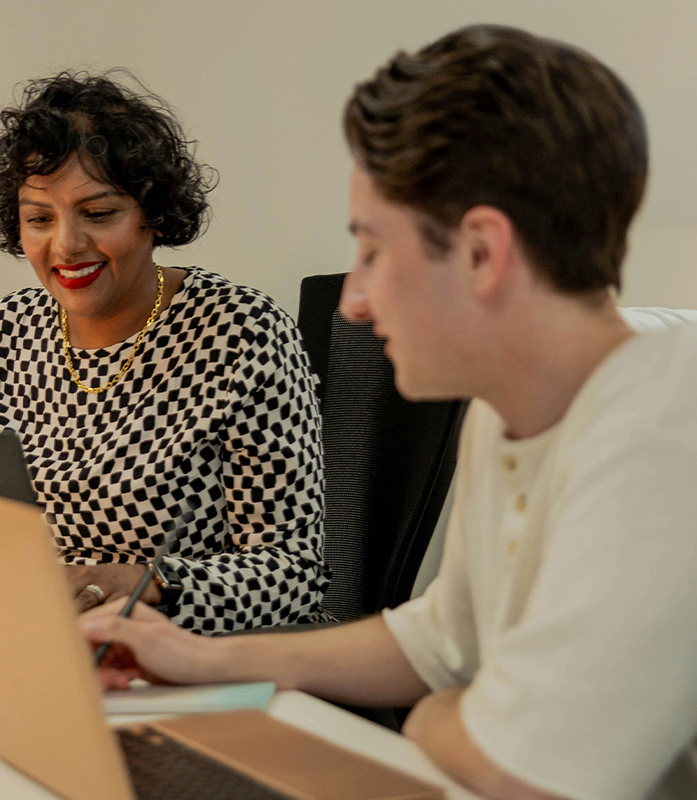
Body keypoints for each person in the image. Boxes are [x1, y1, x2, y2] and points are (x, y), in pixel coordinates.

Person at [81, 26, 697, 800]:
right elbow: (440, 640)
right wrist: (199, 657)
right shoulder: (504, 409)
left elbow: (523, 773)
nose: (353, 300)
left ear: (482, 252)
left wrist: (437, 716)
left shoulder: (665, 432)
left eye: (373, 250)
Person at [0, 72, 329, 633]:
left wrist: (153, 583)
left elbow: (296, 572)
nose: (66, 244)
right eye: (39, 218)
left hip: (192, 657)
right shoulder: (0, 336)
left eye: (98, 213)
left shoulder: (242, 333)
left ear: (152, 214)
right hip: (29, 644)